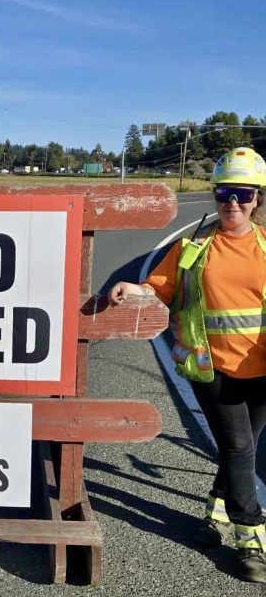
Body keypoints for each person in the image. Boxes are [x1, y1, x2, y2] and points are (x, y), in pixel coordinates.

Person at [107, 146, 266, 583]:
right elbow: (157, 287)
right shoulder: (193, 247)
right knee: (239, 447)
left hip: (263, 372)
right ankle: (250, 535)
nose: (231, 202)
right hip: (210, 367)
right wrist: (129, 289)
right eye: (223, 193)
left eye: (242, 193)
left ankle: (214, 513)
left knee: (243, 448)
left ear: (258, 198)